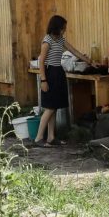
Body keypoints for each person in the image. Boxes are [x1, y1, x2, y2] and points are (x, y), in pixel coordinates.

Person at [35, 14, 75, 146]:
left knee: (55, 107)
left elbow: (73, 50)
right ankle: (39, 137)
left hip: (58, 72)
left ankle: (51, 137)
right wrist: (43, 80)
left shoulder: (61, 40)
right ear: (57, 27)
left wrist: (89, 61)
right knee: (50, 108)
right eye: (63, 28)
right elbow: (41, 62)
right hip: (50, 73)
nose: (65, 30)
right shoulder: (47, 41)